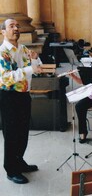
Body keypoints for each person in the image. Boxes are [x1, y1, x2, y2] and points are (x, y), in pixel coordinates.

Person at [0, 18, 43, 184]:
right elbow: (5, 79)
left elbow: (36, 69)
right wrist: (30, 69)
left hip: (24, 95)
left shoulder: (24, 49)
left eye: (17, 26)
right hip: (9, 97)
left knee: (23, 132)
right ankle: (11, 170)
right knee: (11, 134)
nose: (16, 28)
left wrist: (35, 59)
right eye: (11, 26)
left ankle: (19, 161)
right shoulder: (2, 52)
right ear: (3, 32)